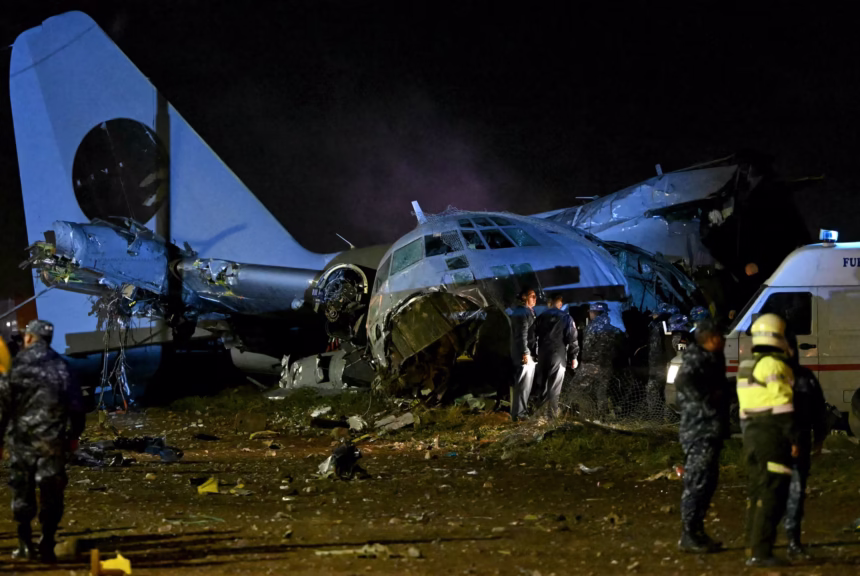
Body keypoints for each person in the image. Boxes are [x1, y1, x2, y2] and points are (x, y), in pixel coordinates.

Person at [0, 320, 85, 562]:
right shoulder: (62, 366)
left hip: (21, 442)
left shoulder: (14, 367)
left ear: (29, 338)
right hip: (52, 442)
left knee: (22, 489)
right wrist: (74, 436)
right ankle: (47, 540)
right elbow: (77, 407)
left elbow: (2, 407)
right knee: (51, 492)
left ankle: (24, 543)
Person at [736, 313, 797, 567]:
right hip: (771, 434)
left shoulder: (747, 364)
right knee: (772, 492)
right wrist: (794, 439)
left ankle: (752, 546)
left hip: (751, 434)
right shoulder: (775, 365)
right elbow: (783, 406)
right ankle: (761, 552)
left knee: (757, 491)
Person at [675, 319, 729, 553]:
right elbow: (684, 384)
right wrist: (709, 404)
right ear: (710, 338)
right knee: (697, 481)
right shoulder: (696, 358)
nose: (725, 340)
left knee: (707, 481)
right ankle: (689, 533)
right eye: (721, 336)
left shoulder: (714, 358)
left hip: (711, 428)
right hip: (698, 429)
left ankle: (697, 531)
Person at [783, 331, 828, 559]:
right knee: (778, 492)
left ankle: (792, 540)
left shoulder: (802, 377)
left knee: (795, 492)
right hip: (779, 443)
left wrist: (819, 438)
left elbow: (819, 410)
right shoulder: (778, 377)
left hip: (797, 442)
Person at [533, 294, 577, 419]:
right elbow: (572, 338)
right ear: (560, 304)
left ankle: (539, 416)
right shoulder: (567, 318)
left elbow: (531, 336)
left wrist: (533, 353)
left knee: (542, 386)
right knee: (555, 386)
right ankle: (551, 418)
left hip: (542, 355)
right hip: (558, 355)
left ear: (549, 303)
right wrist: (574, 356)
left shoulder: (540, 317)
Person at [578, 302, 624, 420]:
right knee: (601, 391)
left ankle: (587, 415)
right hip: (607, 365)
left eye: (590, 312)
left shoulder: (591, 328)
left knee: (581, 389)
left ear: (594, 312)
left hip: (590, 365)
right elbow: (620, 348)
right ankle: (602, 416)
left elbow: (587, 347)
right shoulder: (614, 330)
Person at [645, 303, 680, 418]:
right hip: (668, 364)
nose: (653, 317)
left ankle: (658, 416)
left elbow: (656, 348)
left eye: (655, 315)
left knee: (656, 390)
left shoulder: (660, 325)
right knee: (668, 390)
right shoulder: (675, 326)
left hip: (660, 364)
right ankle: (667, 417)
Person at [509, 288, 538, 421]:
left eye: (535, 296)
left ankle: (521, 412)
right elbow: (522, 334)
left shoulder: (529, 312)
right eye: (532, 296)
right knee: (522, 384)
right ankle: (519, 414)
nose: (535, 298)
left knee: (525, 385)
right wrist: (525, 352)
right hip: (525, 354)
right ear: (524, 297)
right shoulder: (522, 312)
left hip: (529, 353)